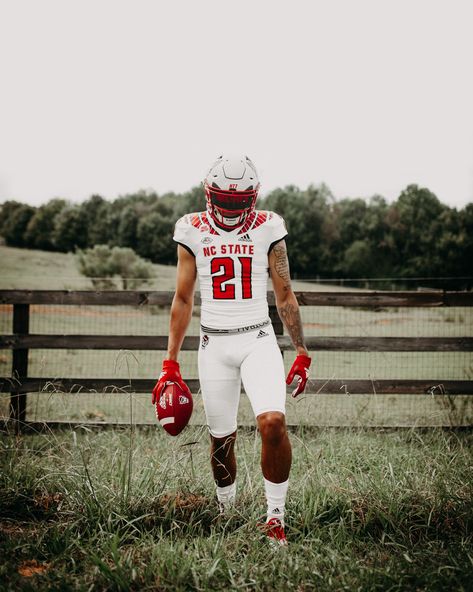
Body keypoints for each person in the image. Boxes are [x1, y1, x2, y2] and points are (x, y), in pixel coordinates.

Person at [152, 154, 311, 546]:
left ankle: (275, 518)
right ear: (209, 194)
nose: (231, 209)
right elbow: (183, 298)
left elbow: (285, 293)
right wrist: (169, 363)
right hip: (214, 343)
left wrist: (302, 351)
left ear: (253, 198)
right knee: (221, 440)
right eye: (225, 200)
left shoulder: (269, 227)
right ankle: (227, 511)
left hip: (257, 338)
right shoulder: (191, 229)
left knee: (273, 422)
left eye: (239, 202)